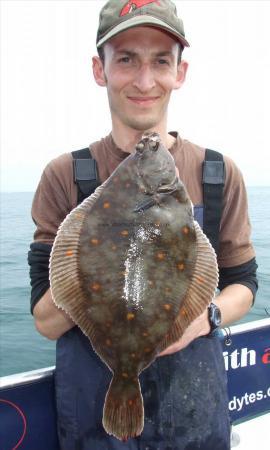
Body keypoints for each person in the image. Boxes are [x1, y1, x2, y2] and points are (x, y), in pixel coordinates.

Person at [28, 1, 258, 449]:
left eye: (160, 61)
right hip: (94, 424)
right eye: (127, 58)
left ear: (180, 72)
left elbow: (243, 285)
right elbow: (44, 321)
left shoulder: (219, 172)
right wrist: (92, 275)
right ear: (101, 69)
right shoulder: (63, 175)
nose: (145, 80)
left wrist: (200, 320)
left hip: (195, 416)